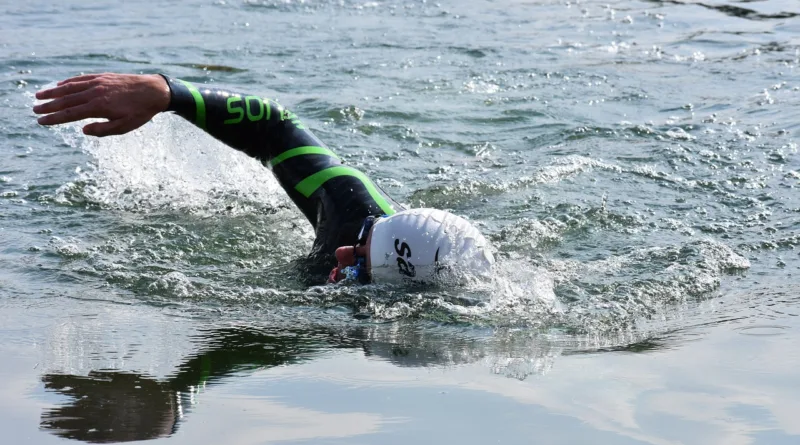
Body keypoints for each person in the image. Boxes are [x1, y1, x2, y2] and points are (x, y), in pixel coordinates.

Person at [33, 73, 494, 285]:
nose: (340, 251)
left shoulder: (375, 320)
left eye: (356, 264)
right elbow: (275, 127)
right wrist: (169, 94)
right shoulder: (352, 211)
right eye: (362, 239)